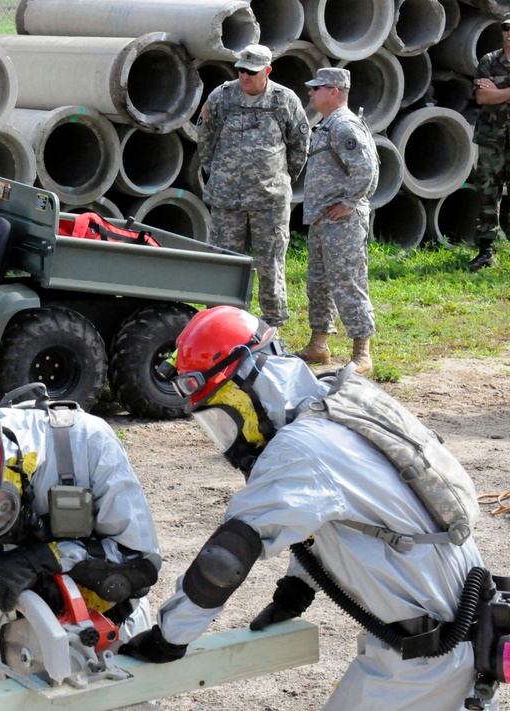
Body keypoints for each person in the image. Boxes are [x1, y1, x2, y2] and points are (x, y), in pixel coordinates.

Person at [119, 306, 497, 710]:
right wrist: (296, 589)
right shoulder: (334, 400)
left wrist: (169, 637)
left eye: (220, 412)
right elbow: (338, 516)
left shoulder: (299, 449)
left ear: (246, 385)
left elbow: (225, 558)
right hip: (461, 634)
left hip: (426, 660)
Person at [0, 387, 161, 642]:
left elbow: (140, 563)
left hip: (110, 629)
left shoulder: (87, 441)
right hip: (15, 640)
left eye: (0, 507)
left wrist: (41, 559)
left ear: (14, 468)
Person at [197, 44, 310, 329]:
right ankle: (221, 322)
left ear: (267, 71)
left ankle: (273, 323)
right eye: (241, 70)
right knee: (223, 263)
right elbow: (206, 139)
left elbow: (299, 145)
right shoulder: (221, 97)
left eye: (251, 71)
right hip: (227, 200)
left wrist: (279, 178)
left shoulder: (284, 100)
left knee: (270, 263)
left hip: (269, 201)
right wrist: (222, 175)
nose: (244, 75)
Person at [296, 67, 378, 375]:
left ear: (334, 92)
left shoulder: (344, 125)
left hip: (342, 222)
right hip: (322, 219)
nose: (311, 92)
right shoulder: (328, 124)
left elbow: (367, 169)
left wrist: (349, 203)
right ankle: (319, 345)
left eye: (317, 88)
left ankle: (362, 353)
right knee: (318, 283)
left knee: (348, 281)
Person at [468, 12, 510, 272]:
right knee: (487, 195)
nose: (509, 33)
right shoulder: (489, 61)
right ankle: (485, 251)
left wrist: (500, 92)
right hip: (492, 141)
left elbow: (492, 94)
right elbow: (482, 97)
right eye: (505, 29)